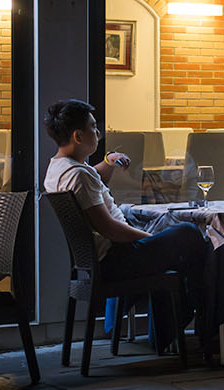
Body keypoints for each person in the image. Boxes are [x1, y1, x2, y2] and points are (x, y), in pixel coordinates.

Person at [41, 99, 210, 352]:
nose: (97, 133)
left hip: (96, 261)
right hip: (116, 260)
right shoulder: (79, 175)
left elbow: (92, 180)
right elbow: (109, 228)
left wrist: (109, 161)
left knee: (174, 244)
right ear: (78, 136)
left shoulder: (60, 168)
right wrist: (146, 237)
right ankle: (206, 320)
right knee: (188, 234)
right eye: (92, 128)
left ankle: (169, 332)